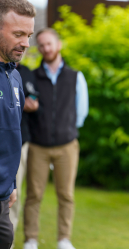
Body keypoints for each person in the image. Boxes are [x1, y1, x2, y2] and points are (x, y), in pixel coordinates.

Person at [23, 28, 89, 249]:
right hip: (37, 146)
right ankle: (31, 239)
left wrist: (66, 130)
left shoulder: (75, 76)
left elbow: (81, 112)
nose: (46, 48)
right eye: (41, 45)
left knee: (66, 195)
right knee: (33, 195)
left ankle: (64, 240)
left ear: (58, 45)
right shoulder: (32, 76)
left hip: (67, 146)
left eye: (49, 43)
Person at [0, 0, 35, 248]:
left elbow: (11, 134)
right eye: (18, 34)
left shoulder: (15, 76)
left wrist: (11, 183)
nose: (26, 43)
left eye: (29, 35)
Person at [9, 62, 39, 248]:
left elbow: (34, 95)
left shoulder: (25, 72)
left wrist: (31, 101)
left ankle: (8, 241)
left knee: (14, 192)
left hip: (19, 141)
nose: (24, 45)